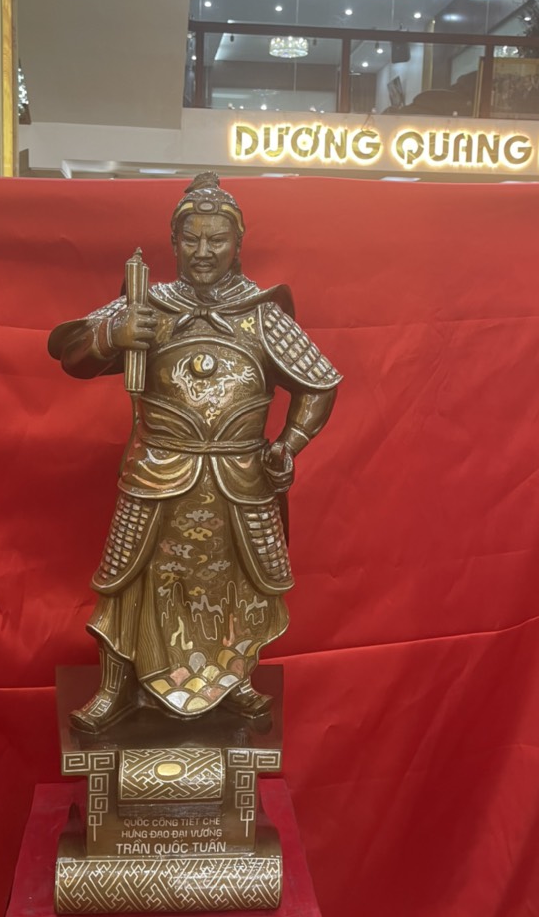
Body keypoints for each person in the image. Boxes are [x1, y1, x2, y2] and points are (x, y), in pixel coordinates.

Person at [48, 173, 340, 732]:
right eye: (192, 239)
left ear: (237, 244)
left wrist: (289, 444)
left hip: (240, 475)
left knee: (241, 581)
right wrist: (114, 335)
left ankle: (235, 681)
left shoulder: (260, 313)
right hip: (158, 469)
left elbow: (320, 384)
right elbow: (72, 351)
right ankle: (117, 686)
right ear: (174, 242)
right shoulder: (148, 305)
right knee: (128, 580)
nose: (204, 251)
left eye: (217, 240)